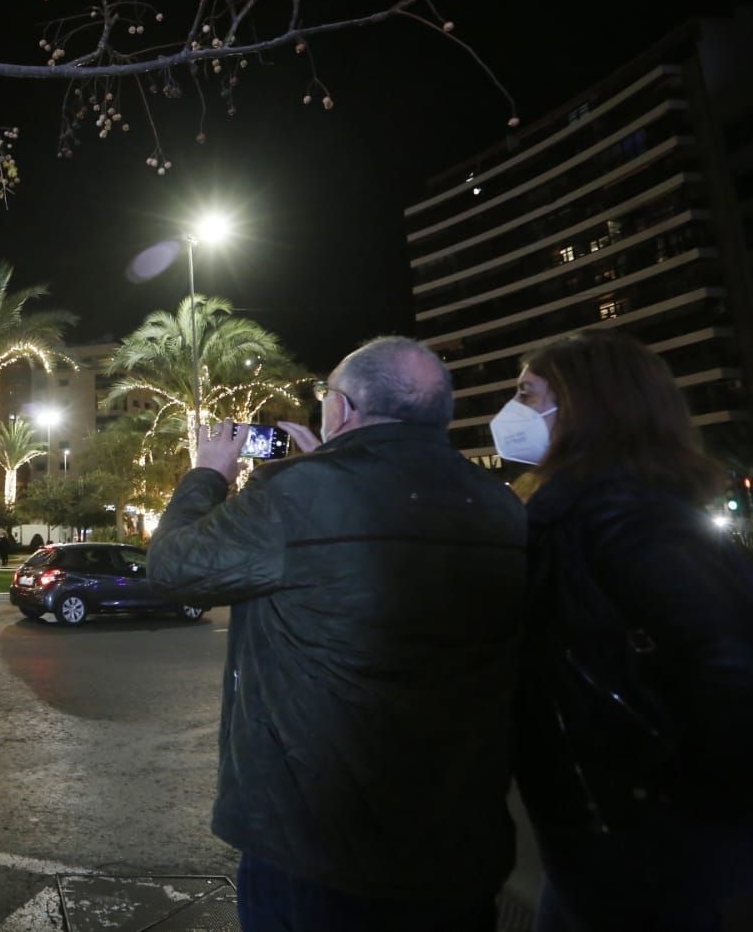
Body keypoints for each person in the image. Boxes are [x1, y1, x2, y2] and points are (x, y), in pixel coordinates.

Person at [147, 336, 527, 931]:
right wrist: (329, 464)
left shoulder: (296, 493)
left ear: (343, 409)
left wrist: (206, 474)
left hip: (317, 845)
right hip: (457, 839)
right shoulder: (501, 504)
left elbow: (173, 567)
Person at [501, 330, 753, 932]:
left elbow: (727, 680)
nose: (512, 412)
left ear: (586, 404)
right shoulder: (573, 510)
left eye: (527, 394)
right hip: (598, 831)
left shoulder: (630, 521)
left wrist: (662, 811)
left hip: (644, 845)